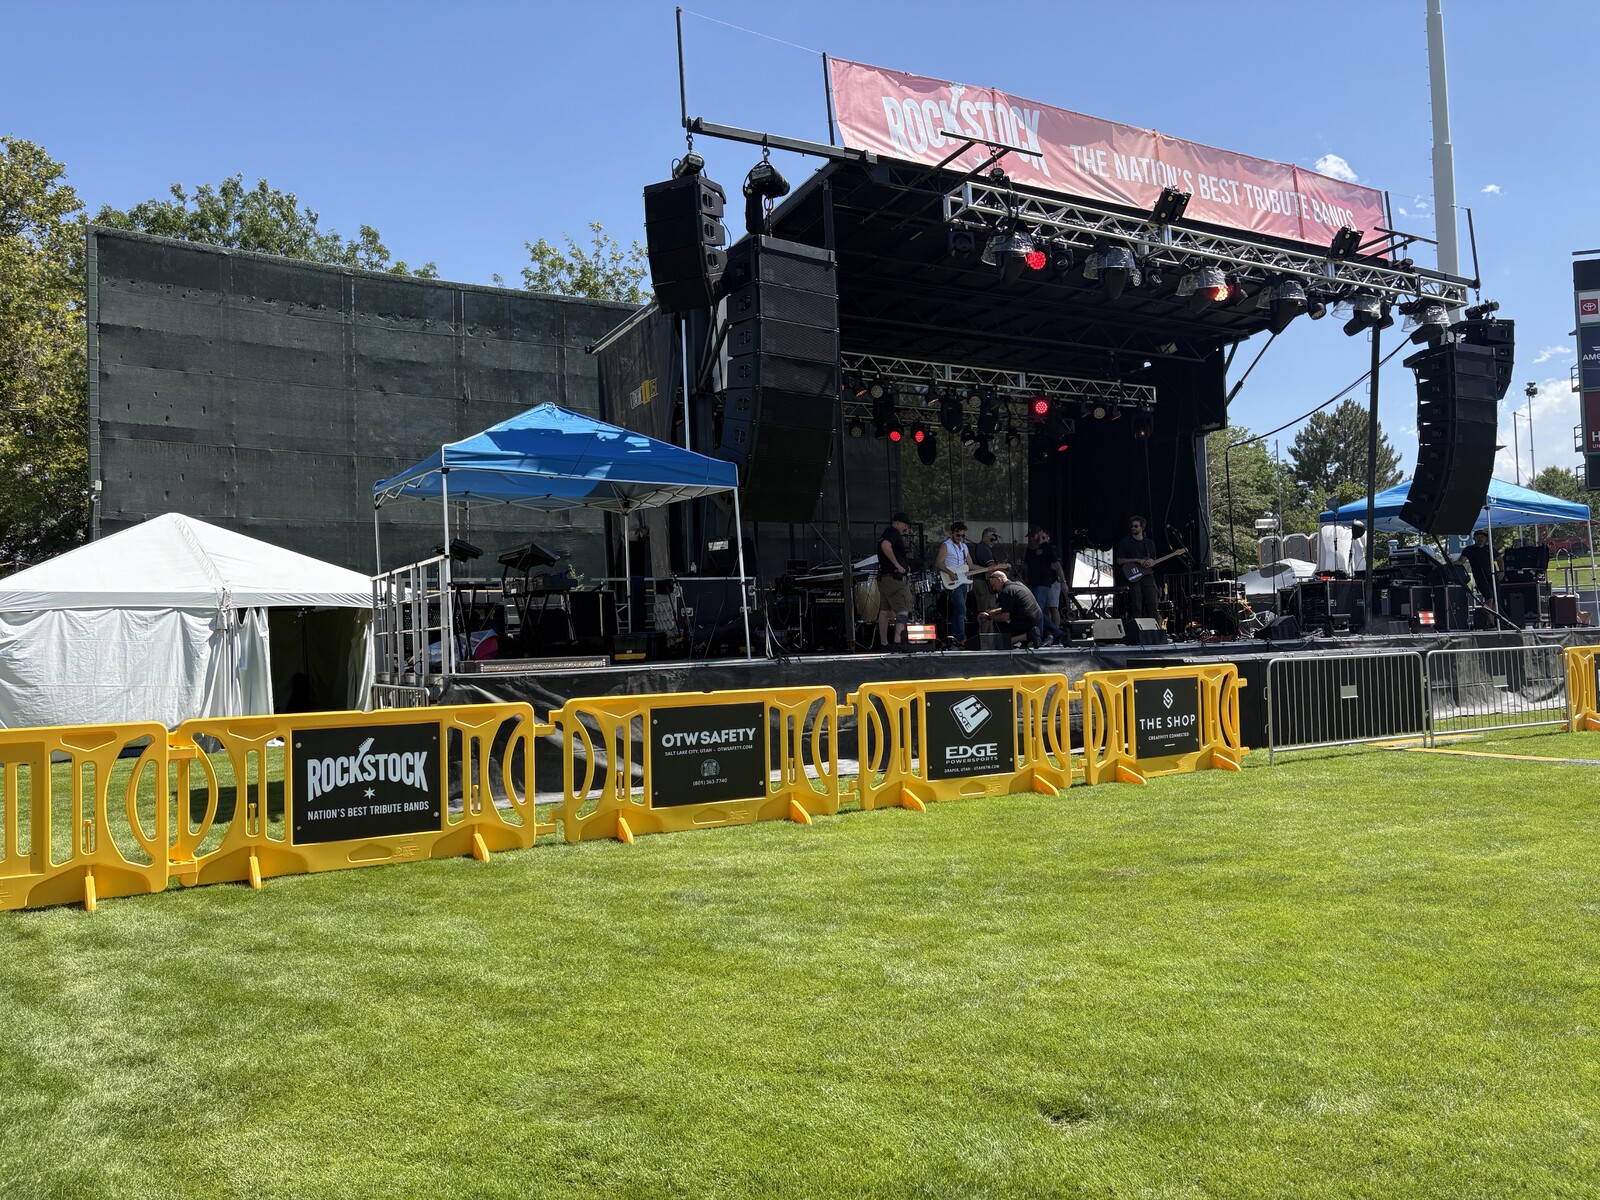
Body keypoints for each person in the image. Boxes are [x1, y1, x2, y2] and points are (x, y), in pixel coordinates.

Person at [932, 521, 973, 646]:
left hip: (962, 581)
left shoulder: (964, 547)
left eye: (962, 535)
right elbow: (938, 563)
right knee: (961, 607)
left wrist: (987, 568)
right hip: (951, 580)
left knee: (960, 610)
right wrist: (950, 573)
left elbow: (970, 565)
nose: (960, 538)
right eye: (957, 535)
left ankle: (956, 637)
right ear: (951, 533)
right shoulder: (946, 545)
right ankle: (961, 636)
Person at [876, 511, 913, 649]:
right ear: (897, 523)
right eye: (905, 525)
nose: (906, 528)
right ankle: (898, 642)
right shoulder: (892, 532)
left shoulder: (885, 533)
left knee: (885, 611)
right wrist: (897, 565)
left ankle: (884, 643)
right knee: (903, 609)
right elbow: (886, 546)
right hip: (895, 579)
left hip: (884, 578)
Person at [979, 568, 1044, 647]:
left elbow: (1005, 618)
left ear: (999, 580)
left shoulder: (1006, 591)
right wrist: (993, 611)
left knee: (1001, 635)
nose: (993, 588)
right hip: (1037, 617)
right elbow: (1009, 607)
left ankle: (1027, 636)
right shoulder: (1018, 584)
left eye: (993, 585)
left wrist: (989, 617)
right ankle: (1026, 639)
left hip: (1025, 620)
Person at [1023, 528, 1065, 642]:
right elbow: (1027, 565)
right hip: (1032, 583)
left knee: (1045, 608)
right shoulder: (1030, 549)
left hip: (1045, 582)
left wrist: (1063, 582)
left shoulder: (1049, 548)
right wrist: (1026, 578)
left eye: (1033, 536)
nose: (1031, 538)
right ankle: (1051, 632)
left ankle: (1041, 634)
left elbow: (1057, 565)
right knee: (1038, 609)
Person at [1115, 514, 1161, 620]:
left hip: (1147, 575)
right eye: (1131, 526)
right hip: (1133, 576)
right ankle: (1137, 631)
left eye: (1136, 526)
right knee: (1136, 605)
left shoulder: (1149, 543)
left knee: (1153, 603)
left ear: (1142, 527)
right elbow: (1119, 560)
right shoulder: (1125, 542)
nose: (1133, 528)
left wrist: (1150, 561)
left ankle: (1155, 631)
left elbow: (1153, 560)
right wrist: (1136, 560)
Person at [969, 527, 1006, 634]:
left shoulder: (979, 548)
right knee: (987, 612)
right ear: (985, 537)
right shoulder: (984, 549)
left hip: (979, 583)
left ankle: (989, 639)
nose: (993, 542)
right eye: (991, 539)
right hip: (983, 583)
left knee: (988, 612)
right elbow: (991, 567)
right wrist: (1001, 569)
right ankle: (985, 639)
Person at [1458, 529, 1496, 601]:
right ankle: (1487, 612)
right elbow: (1461, 560)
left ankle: (1491, 612)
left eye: (1482, 537)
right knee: (1489, 597)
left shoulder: (1490, 548)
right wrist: (1450, 564)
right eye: (1478, 537)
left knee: (1495, 599)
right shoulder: (1469, 549)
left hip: (1492, 576)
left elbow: (1499, 559)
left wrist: (1502, 571)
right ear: (1474, 538)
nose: (1480, 538)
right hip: (1480, 578)